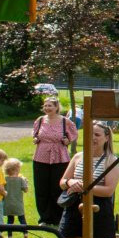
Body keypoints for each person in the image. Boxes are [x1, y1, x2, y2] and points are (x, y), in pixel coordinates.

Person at [58, 121, 119, 238]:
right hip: (73, 209)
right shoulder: (78, 156)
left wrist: (86, 187)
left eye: (97, 135)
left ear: (107, 138)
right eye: (90, 134)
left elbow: (108, 191)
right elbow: (63, 181)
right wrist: (71, 182)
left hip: (98, 210)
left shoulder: (111, 160)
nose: (92, 138)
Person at [32, 97, 77, 227]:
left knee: (57, 187)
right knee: (42, 188)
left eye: (50, 106)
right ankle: (44, 218)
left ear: (57, 107)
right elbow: (35, 134)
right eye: (45, 106)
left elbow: (73, 135)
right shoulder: (40, 120)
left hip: (60, 157)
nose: (47, 108)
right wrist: (35, 139)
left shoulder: (65, 122)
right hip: (41, 157)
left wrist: (67, 141)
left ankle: (58, 218)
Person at [2, 158, 29, 238]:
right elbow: (25, 190)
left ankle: (10, 236)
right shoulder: (21, 179)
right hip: (18, 203)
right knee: (22, 219)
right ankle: (25, 234)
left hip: (8, 204)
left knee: (10, 220)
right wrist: (26, 182)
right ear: (16, 169)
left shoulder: (5, 180)